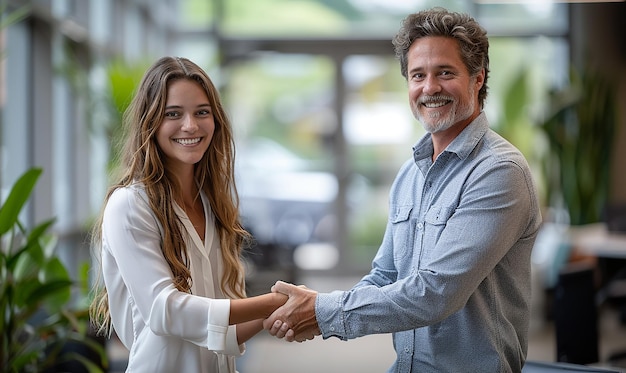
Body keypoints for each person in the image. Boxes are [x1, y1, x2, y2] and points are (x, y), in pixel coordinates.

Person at [264, 7, 542, 373]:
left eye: (445, 73)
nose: (429, 88)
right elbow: (384, 276)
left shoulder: (499, 172)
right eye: (418, 75)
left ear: (477, 79)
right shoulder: (410, 173)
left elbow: (435, 293)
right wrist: (320, 310)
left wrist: (322, 312)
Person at [89, 56, 287, 373]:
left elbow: (217, 330)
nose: (191, 125)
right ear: (150, 122)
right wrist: (272, 302)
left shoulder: (211, 204)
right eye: (173, 114)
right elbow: (165, 311)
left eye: (201, 112)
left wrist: (275, 315)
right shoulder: (130, 204)